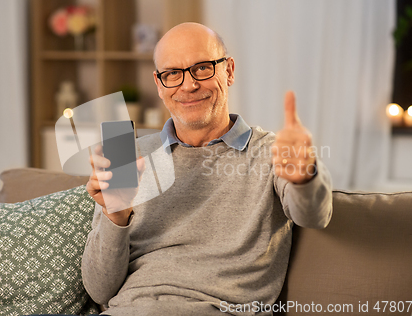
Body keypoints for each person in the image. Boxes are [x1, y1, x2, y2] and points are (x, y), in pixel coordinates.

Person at [82, 22, 333, 316]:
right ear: (159, 84)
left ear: (229, 71)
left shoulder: (270, 152)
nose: (188, 85)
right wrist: (117, 216)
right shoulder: (131, 157)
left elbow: (314, 215)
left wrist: (304, 177)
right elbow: (99, 290)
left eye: (202, 67)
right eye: (172, 73)